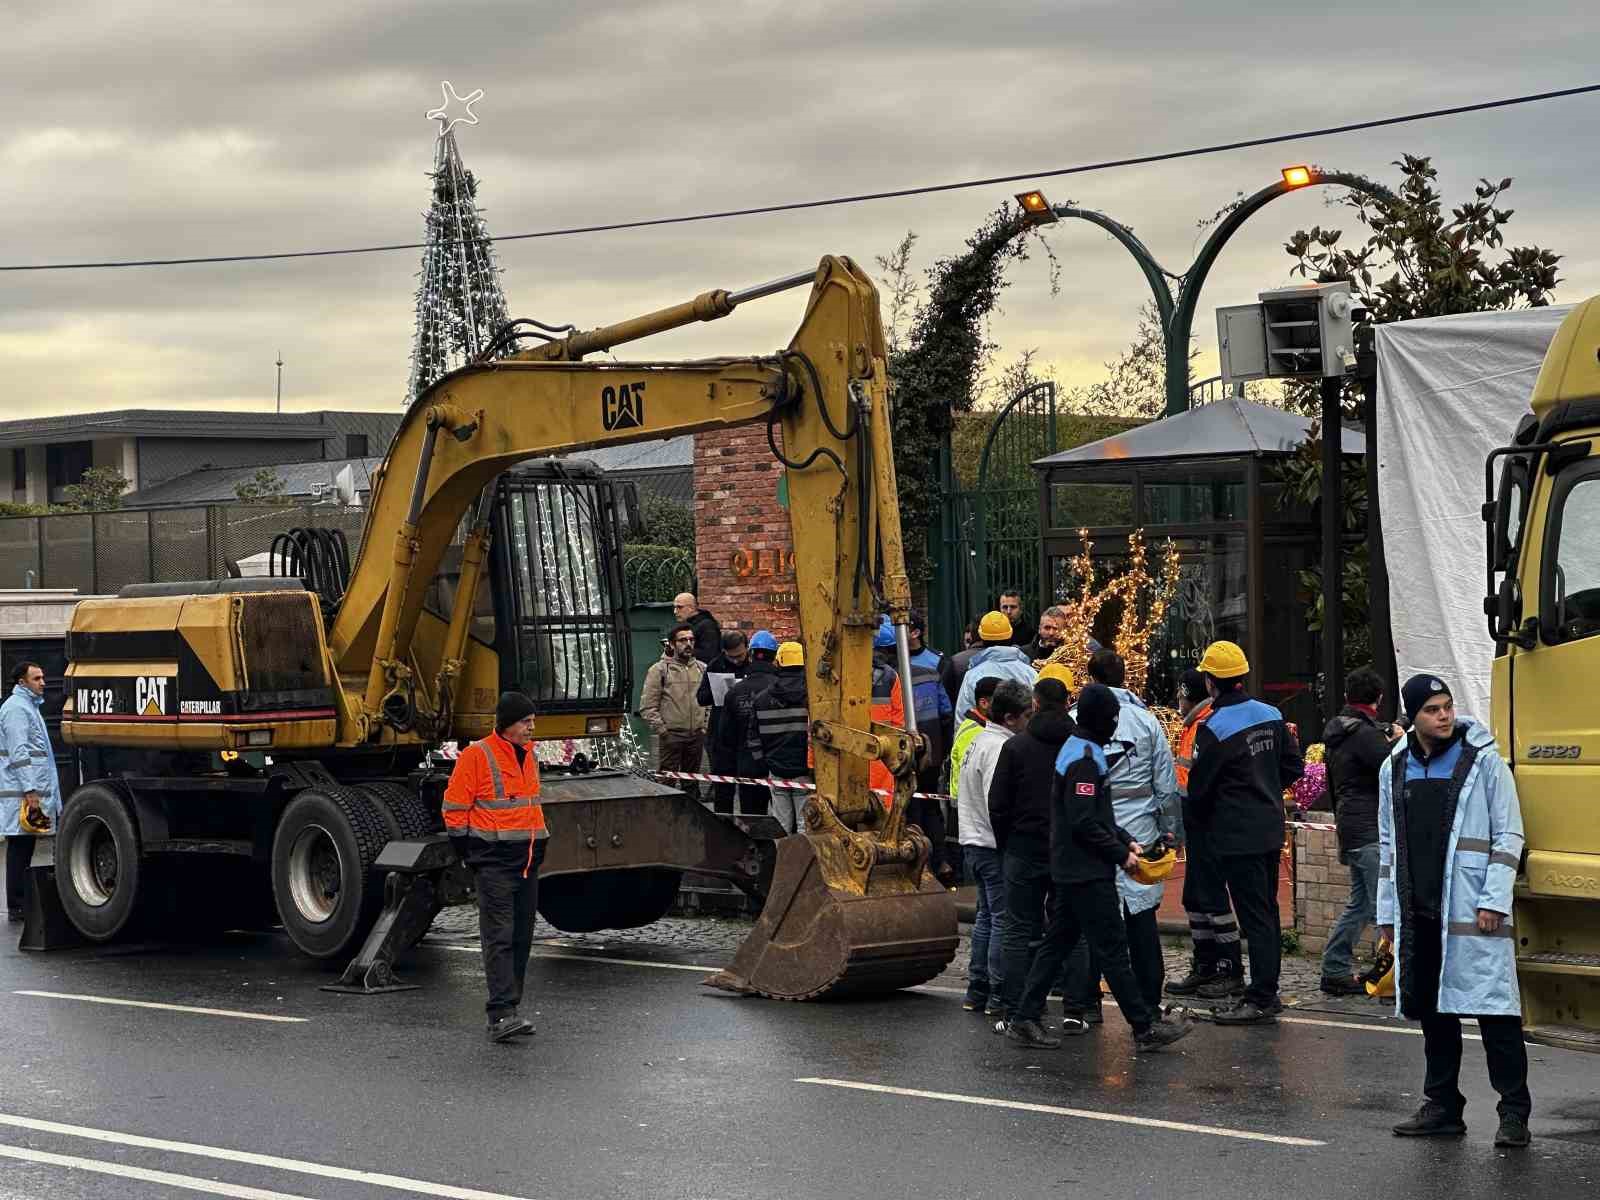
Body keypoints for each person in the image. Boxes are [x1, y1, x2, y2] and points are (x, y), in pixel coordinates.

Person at [1380, 676, 1531, 1147]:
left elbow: (1510, 837)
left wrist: (1493, 900)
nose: (1443, 716)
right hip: (1420, 914)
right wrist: (1387, 913)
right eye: (1432, 710)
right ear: (1413, 717)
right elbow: (1389, 843)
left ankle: (1513, 1113)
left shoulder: (1483, 762)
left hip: (1472, 914)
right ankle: (1443, 1106)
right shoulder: (1395, 767)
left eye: (1447, 707)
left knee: (1496, 1017)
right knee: (1434, 1014)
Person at [1008, 684, 1192, 1052]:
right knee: (1112, 950)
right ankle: (1144, 1027)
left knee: (1056, 944)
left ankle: (1025, 1017)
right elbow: (1083, 821)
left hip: (1073, 867)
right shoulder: (1085, 759)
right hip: (1086, 871)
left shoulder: (1080, 749)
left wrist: (1123, 838)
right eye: (1112, 718)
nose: (1114, 724)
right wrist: (1120, 853)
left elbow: (1095, 814)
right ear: (1102, 719)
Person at [1186, 641, 1304, 1024]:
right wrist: (1266, 786)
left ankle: (1261, 996)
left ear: (1210, 682)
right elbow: (1293, 766)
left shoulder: (1214, 726)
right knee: (1265, 912)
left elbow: (1200, 787)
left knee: (1254, 917)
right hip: (1268, 826)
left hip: (1236, 833)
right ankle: (1265, 990)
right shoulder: (1271, 714)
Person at [1063, 651, 1181, 1019]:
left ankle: (1084, 1004)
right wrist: (1170, 832)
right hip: (1140, 830)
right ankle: (1148, 999)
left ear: (1091, 677)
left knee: (1091, 922)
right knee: (1141, 921)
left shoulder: (1074, 721)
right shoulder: (1147, 722)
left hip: (1094, 830)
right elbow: (1166, 784)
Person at [443, 691, 546, 1042]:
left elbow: (529, 807)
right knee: (499, 938)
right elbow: (455, 810)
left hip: (526, 862)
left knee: (520, 938)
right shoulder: (477, 755)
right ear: (506, 724)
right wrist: (471, 855)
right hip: (494, 864)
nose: (531, 728)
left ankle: (510, 1009)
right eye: (525, 722)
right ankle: (501, 1013)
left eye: (532, 721)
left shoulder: (529, 755)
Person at [988, 673, 1077, 1025]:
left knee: (1017, 929)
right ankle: (1079, 1007)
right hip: (1068, 849)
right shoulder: (1080, 745)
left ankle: (1016, 1008)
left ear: (1035, 705)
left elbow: (998, 804)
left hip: (1024, 847)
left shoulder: (1017, 747)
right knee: (1072, 926)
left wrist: (1007, 842)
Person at [1320, 666, 1403, 995]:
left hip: (1350, 824)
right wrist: (1399, 741)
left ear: (1346, 697)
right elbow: (1392, 771)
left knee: (1361, 903)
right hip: (1368, 828)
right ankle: (1377, 972)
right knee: (1379, 904)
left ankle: (1335, 968)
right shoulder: (1366, 736)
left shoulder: (1341, 731)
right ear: (1379, 699)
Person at [1166, 668, 1244, 998]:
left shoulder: (1204, 725)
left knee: (1211, 896)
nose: (1177, 701)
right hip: (1196, 821)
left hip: (1208, 822)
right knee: (1195, 898)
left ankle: (1229, 968)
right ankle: (1205, 964)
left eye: (1181, 694)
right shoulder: (1194, 724)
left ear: (1189, 695)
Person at [958, 680, 1032, 1017]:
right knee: (1002, 918)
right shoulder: (1000, 748)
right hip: (991, 844)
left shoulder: (979, 740)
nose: (1031, 720)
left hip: (974, 841)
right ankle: (999, 990)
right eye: (1028, 715)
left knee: (987, 917)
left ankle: (978, 988)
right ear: (1011, 718)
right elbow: (995, 802)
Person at [2, 661, 60, 922]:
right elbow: (19, 752)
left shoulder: (29, 707)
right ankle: (16, 904)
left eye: (43, 677)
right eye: (37, 678)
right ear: (22, 682)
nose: (43, 682)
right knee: (19, 846)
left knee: (25, 845)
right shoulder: (16, 709)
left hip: (27, 791)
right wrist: (30, 790)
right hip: (23, 793)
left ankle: (20, 901)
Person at [641, 624, 708, 800]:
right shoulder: (660, 670)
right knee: (667, 785)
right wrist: (663, 731)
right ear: (671, 644)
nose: (688, 644)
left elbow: (709, 702)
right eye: (682, 640)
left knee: (692, 785)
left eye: (691, 640)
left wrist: (704, 727)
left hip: (696, 736)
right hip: (672, 736)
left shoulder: (702, 668)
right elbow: (648, 706)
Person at [751, 641, 812, 834]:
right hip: (805, 770)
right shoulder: (814, 699)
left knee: (780, 825)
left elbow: (752, 737)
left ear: (778, 663)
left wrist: (763, 763)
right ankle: (806, 862)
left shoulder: (761, 698)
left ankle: (780, 861)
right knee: (806, 826)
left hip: (776, 769)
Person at [717, 631, 778, 816]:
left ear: (750, 654)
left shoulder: (736, 692)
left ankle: (754, 845)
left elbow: (725, 735)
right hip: (779, 765)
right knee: (784, 818)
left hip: (748, 764)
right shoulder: (782, 688)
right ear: (774, 656)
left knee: (752, 816)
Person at [697, 630, 751, 814]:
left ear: (747, 648)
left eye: (740, 656)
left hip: (747, 734)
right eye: (731, 657)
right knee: (723, 789)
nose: (736, 661)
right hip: (721, 734)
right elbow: (701, 698)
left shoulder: (753, 665)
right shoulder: (715, 665)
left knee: (749, 789)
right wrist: (718, 690)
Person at [953, 612, 1035, 719]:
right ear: (1010, 635)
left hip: (984, 735)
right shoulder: (1029, 672)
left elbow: (963, 717)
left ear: (981, 638)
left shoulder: (972, 675)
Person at [947, 674, 1001, 803]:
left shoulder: (980, 726)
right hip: (965, 807)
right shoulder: (974, 732)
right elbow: (970, 775)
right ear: (984, 703)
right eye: (999, 702)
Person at [940, 618, 984, 707]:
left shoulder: (956, 662)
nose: (968, 645)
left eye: (970, 641)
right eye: (967, 641)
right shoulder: (956, 662)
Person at [672, 592, 722, 666]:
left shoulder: (707, 626)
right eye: (674, 607)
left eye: (679, 607)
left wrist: (681, 650)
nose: (675, 611)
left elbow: (709, 655)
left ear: (691, 608)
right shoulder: (690, 624)